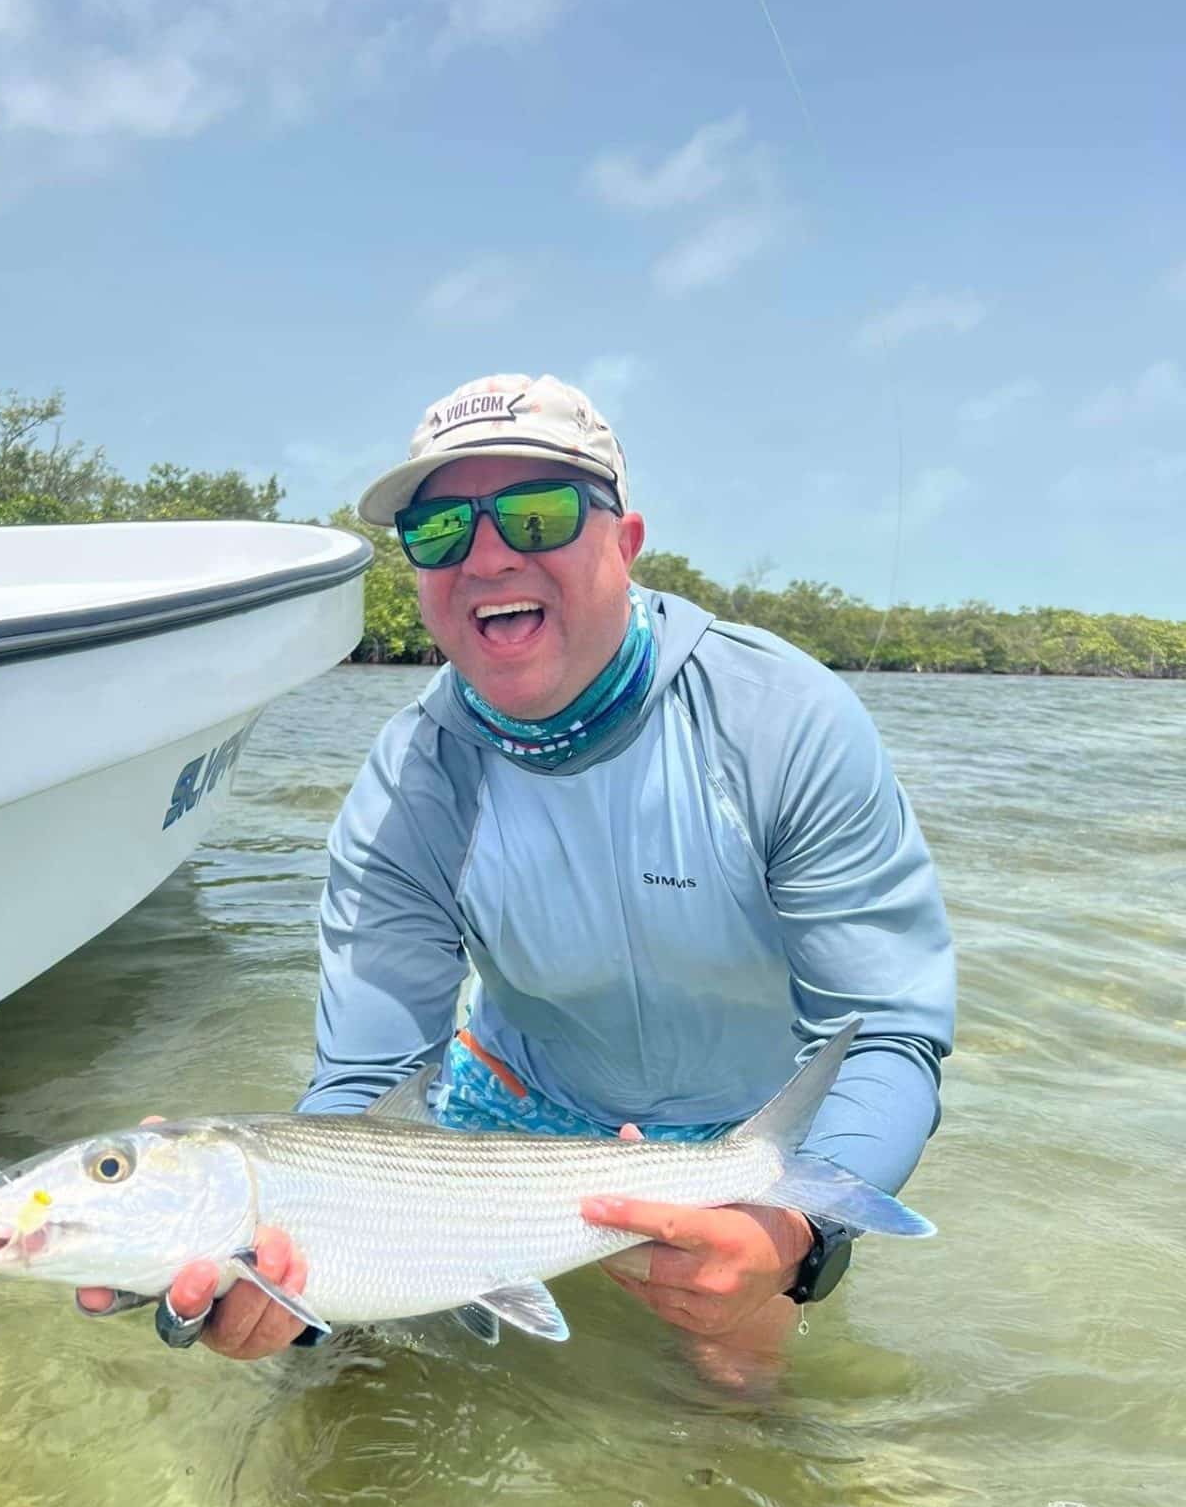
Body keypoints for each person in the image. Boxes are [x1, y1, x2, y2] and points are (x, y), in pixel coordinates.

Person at [78, 374, 954, 1379]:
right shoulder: (409, 788)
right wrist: (276, 1239)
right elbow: (366, 1084)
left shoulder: (782, 722)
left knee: (736, 1388)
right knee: (331, 1371)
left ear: (624, 545)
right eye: (440, 530)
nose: (488, 554)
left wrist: (794, 1232)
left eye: (535, 515)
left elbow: (885, 1028)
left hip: (737, 1129)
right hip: (508, 1109)